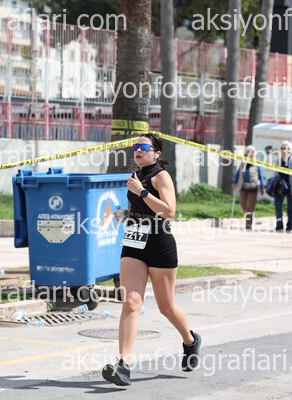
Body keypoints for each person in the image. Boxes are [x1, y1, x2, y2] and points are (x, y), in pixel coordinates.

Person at [102, 134, 201, 386]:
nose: (138, 150)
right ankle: (123, 364)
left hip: (159, 245)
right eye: (135, 146)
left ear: (156, 153)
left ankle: (190, 340)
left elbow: (169, 211)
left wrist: (142, 191)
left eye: (144, 147)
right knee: (130, 303)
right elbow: (144, 210)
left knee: (166, 307)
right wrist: (126, 214)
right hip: (134, 243)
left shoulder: (160, 176)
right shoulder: (136, 176)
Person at [232, 145, 265, 230]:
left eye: (252, 152)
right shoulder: (243, 163)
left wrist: (262, 187)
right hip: (243, 186)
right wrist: (234, 182)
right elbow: (238, 173)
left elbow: (261, 176)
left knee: (250, 206)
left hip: (253, 187)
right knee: (243, 205)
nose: (250, 153)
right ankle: (249, 216)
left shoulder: (257, 163)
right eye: (248, 151)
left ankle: (248, 223)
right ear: (246, 153)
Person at [274, 141, 292, 231]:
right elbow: (275, 174)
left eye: (285, 148)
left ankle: (290, 224)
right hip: (280, 186)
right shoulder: (278, 161)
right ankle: (279, 224)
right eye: (282, 148)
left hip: (290, 186)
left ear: (289, 150)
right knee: (278, 206)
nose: (283, 150)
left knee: (291, 207)